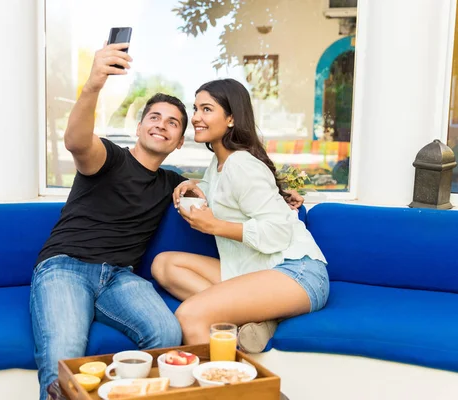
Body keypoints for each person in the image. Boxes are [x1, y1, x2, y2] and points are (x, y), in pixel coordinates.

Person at [31, 43, 305, 399]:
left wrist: (283, 197)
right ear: (140, 126)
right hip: (66, 268)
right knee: (62, 371)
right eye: (155, 117)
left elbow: (228, 190)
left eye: (174, 122)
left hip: (119, 279)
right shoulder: (108, 158)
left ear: (178, 142)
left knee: (166, 335)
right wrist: (93, 85)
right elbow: (77, 141)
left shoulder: (173, 183)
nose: (162, 125)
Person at [151, 78, 329, 353]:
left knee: (190, 315)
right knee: (164, 265)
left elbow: (278, 232)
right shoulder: (220, 162)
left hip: (298, 272)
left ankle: (230, 389)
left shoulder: (242, 164)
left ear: (231, 118)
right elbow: (223, 189)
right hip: (259, 269)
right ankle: (263, 315)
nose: (196, 117)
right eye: (196, 108)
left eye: (206, 109)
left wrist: (215, 226)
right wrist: (194, 185)